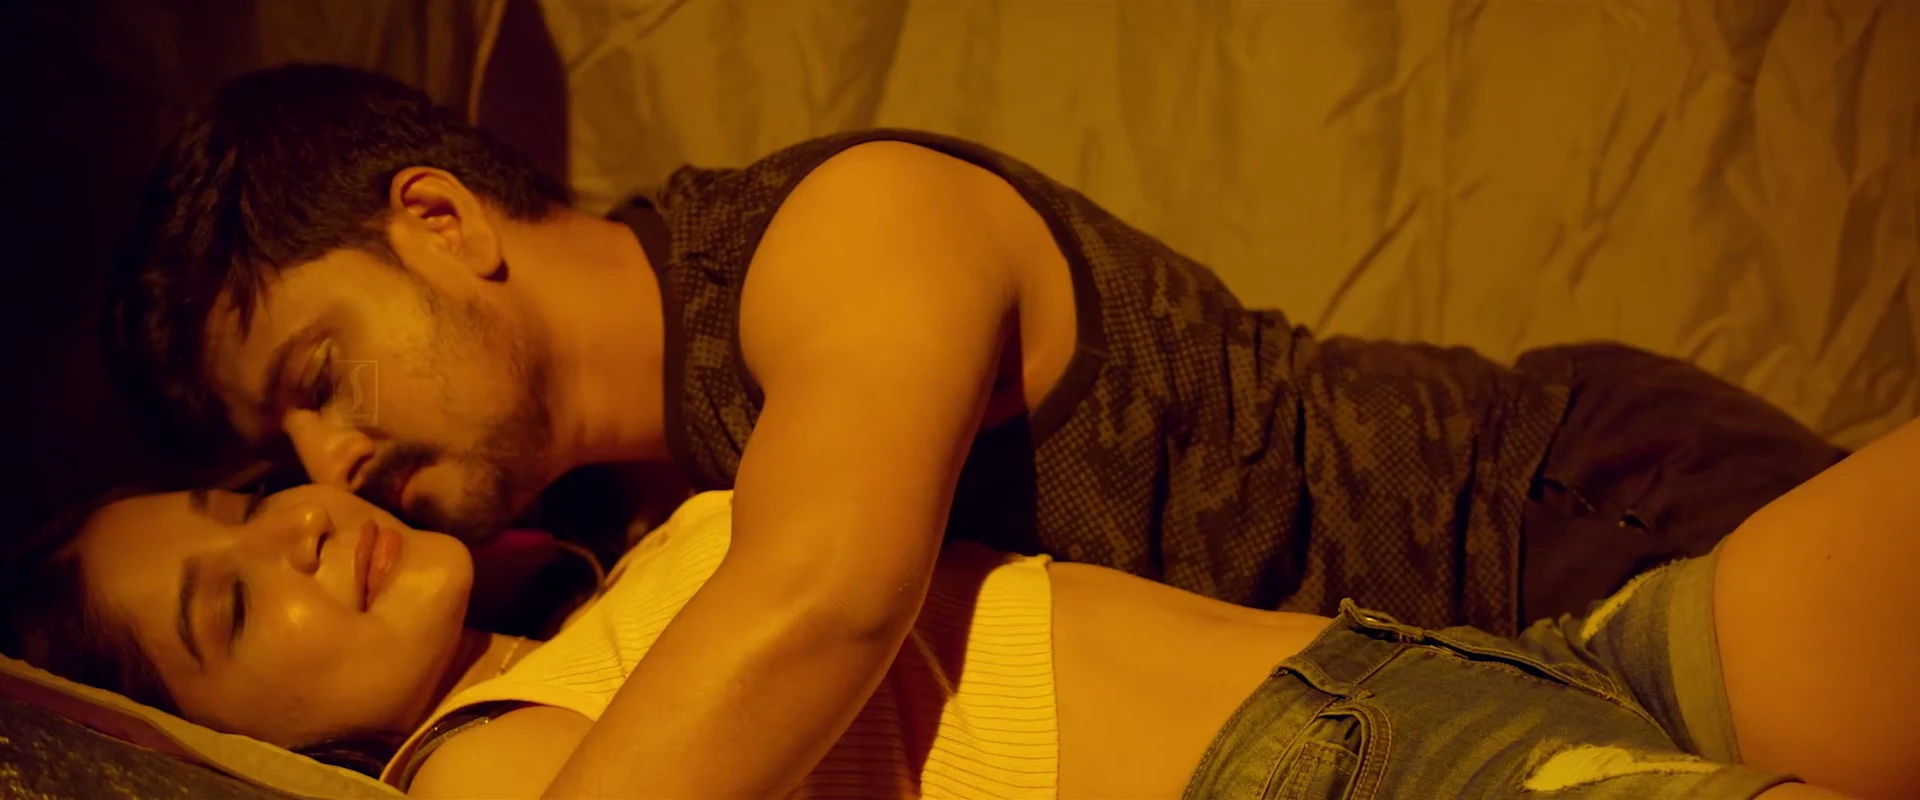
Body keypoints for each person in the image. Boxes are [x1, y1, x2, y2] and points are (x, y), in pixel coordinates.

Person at [99, 64, 1848, 795]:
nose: (327, 466)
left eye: (317, 375)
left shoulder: (835, 235)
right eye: (278, 446)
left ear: (438, 222)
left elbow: (826, 600)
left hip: (1555, 521)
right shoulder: (618, 547)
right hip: (1395, 687)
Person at [13, 409, 1920, 798]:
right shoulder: (477, 763)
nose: (293, 528)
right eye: (225, 615)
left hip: (1462, 675)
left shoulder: (581, 602)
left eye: (235, 507)